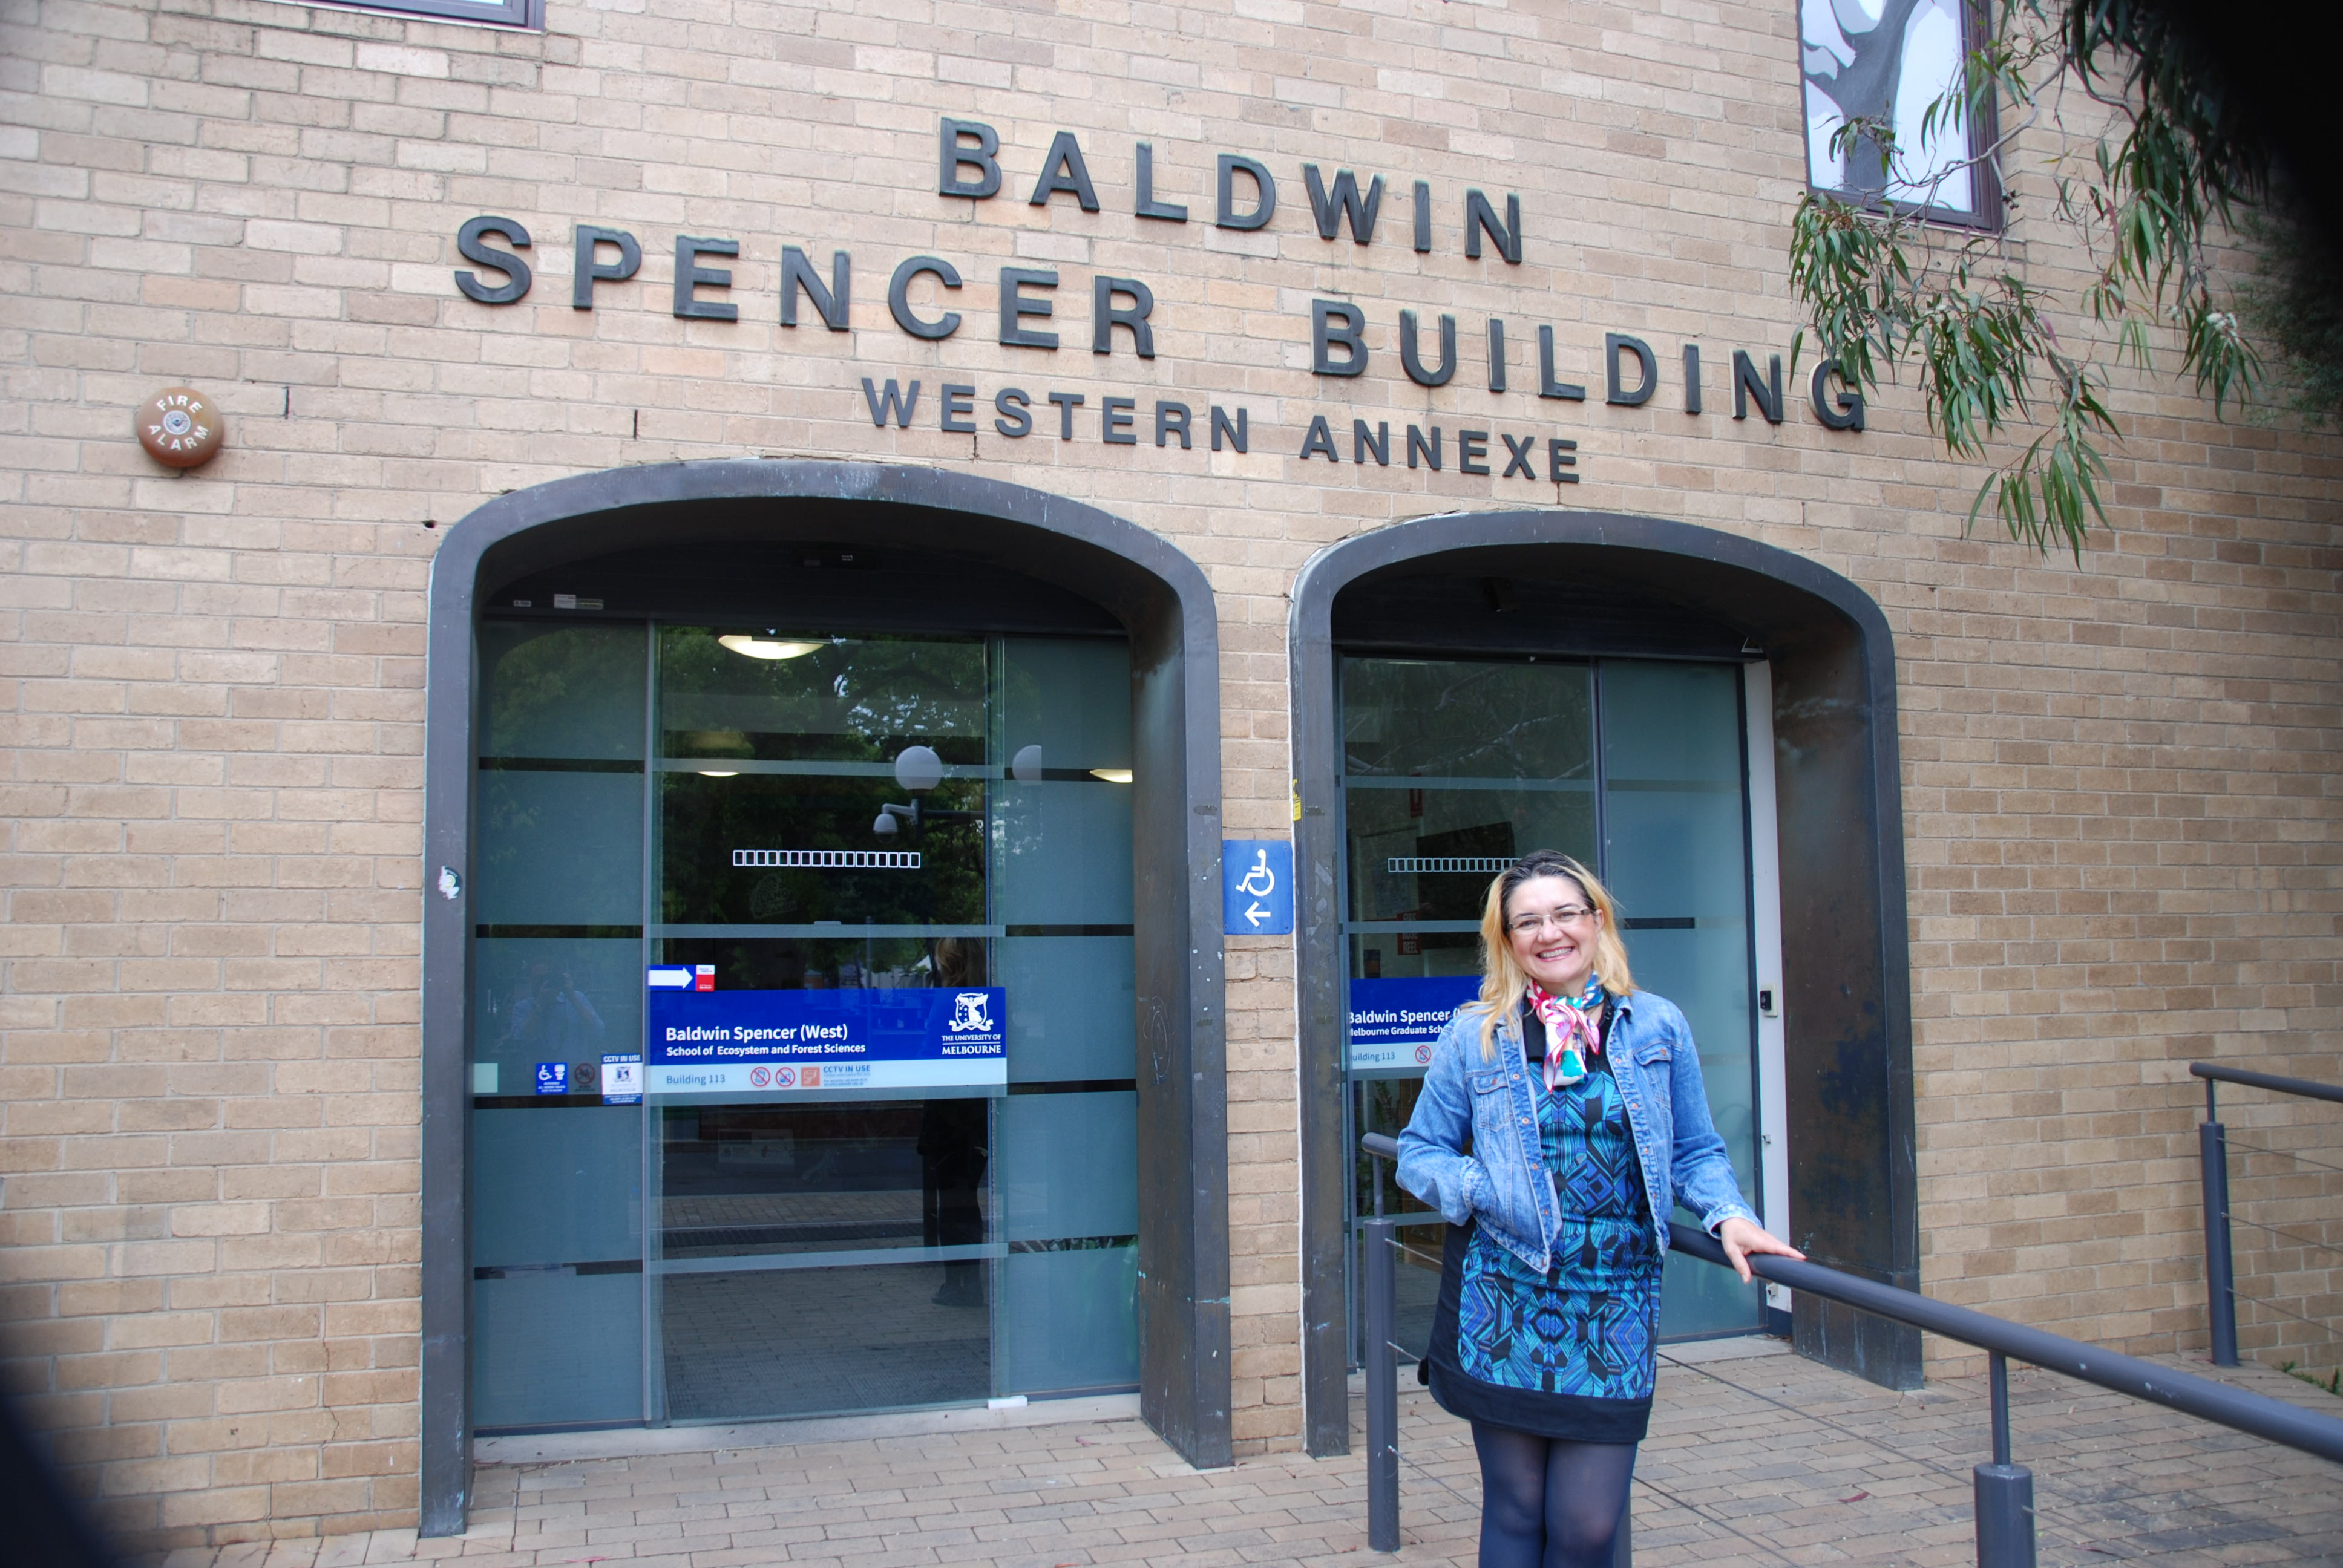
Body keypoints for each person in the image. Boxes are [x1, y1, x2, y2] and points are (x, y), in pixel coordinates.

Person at [1397, 849, 1803, 1568]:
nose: (1548, 933)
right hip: (1503, 1298)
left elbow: (1695, 1150)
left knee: (1586, 1526)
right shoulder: (1476, 1034)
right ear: (1506, 939)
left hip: (1615, 1300)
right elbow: (1420, 1152)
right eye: (1526, 921)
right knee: (1516, 1512)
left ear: (1595, 921)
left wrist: (1726, 1214)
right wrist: (1486, 1188)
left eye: (1563, 914)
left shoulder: (1656, 1026)